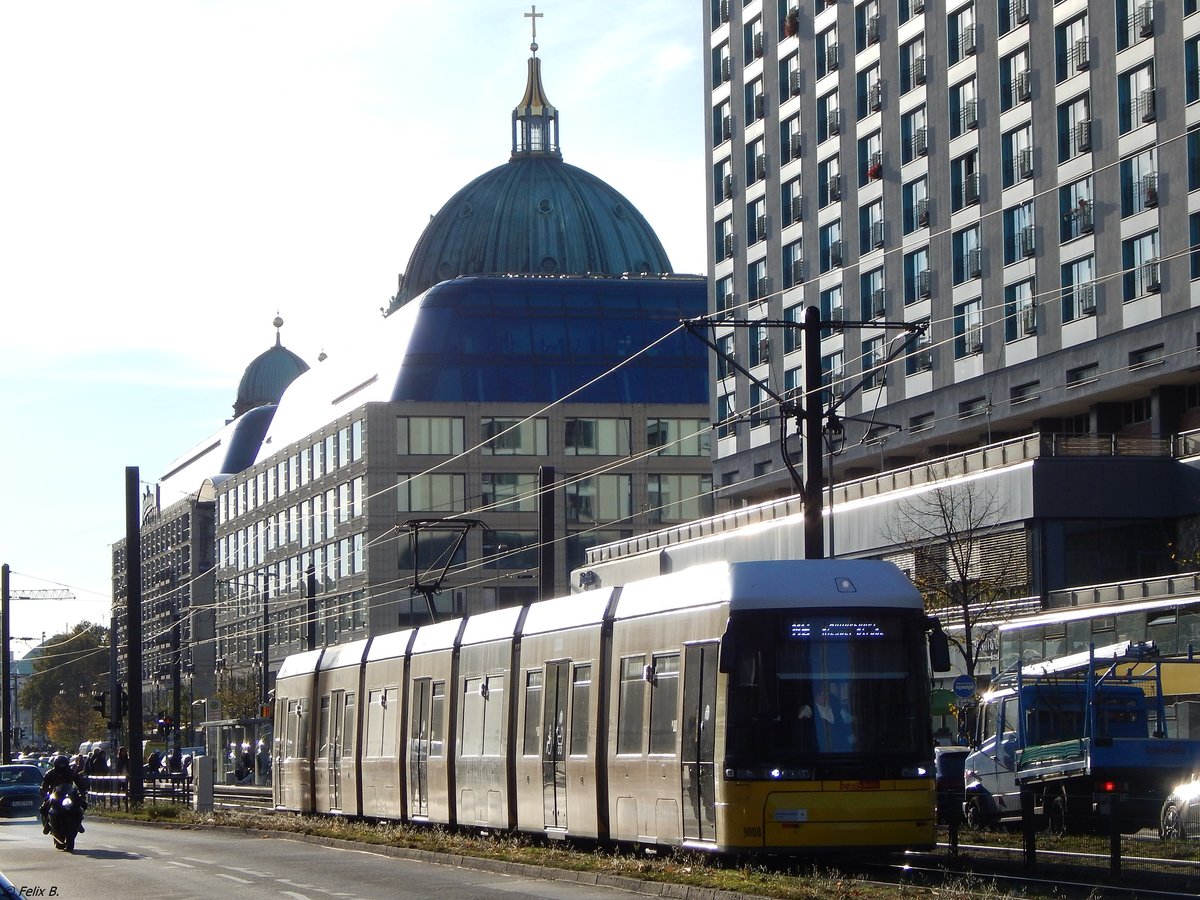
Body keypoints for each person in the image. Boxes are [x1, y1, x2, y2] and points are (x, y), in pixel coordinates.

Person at [40, 755, 88, 835]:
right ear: (56, 764)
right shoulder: (50, 774)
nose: (62, 767)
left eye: (63, 764)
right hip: (55, 795)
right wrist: (44, 793)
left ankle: (79, 822)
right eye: (60, 764)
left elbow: (79, 782)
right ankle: (47, 825)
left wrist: (82, 791)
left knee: (83, 804)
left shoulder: (70, 772)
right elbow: (44, 786)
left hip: (69, 795)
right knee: (44, 808)